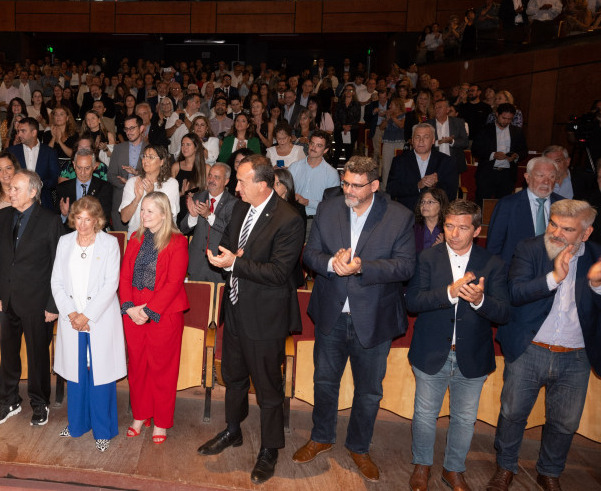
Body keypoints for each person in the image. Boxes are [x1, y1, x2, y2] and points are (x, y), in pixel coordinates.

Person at [297, 156, 416, 482]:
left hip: (373, 318)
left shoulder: (399, 217)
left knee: (369, 392)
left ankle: (359, 447)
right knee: (324, 382)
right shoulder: (329, 207)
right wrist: (332, 265)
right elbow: (310, 254)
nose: (347, 189)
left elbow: (406, 267)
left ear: (374, 186)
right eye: (345, 182)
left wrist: (362, 266)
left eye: (356, 185)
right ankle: (320, 437)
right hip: (331, 314)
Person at [199, 155, 305, 484]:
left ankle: (270, 448)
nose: (236, 186)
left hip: (266, 317)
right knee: (233, 377)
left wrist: (235, 264)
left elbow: (278, 273)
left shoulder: (289, 218)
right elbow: (232, 246)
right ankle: (233, 430)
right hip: (235, 309)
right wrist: (224, 257)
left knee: (268, 387)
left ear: (263, 184)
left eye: (242, 181)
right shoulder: (242, 208)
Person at [487, 200, 601, 491]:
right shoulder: (530, 248)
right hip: (530, 348)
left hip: (575, 356)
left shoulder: (598, 257)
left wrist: (598, 286)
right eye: (553, 224)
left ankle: (549, 472)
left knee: (564, 423)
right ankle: (505, 467)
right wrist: (554, 278)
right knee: (512, 414)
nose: (556, 233)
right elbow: (514, 292)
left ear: (586, 234)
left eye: (567, 229)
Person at [405, 199, 509, 491]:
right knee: (425, 414)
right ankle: (422, 465)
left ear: (476, 230)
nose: (454, 233)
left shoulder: (493, 263)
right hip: (431, 351)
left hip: (472, 354)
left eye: (463, 228)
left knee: (464, 418)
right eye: (449, 226)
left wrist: (480, 301)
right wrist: (449, 292)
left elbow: (504, 312)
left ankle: (453, 469)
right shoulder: (427, 258)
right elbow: (412, 302)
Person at [0, 170, 64, 427]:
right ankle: (8, 401)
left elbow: (59, 265)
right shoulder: (3, 216)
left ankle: (39, 403)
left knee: (38, 356)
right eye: (10, 188)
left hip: (38, 302)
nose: (10, 192)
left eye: (16, 188)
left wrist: (54, 305)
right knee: (8, 354)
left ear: (33, 192)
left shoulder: (51, 220)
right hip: (7, 300)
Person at [51, 196, 124, 452]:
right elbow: (57, 282)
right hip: (72, 321)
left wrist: (86, 316)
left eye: (88, 219)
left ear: (97, 220)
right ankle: (77, 425)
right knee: (76, 374)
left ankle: (103, 430)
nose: (82, 224)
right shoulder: (64, 242)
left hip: (99, 320)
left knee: (100, 376)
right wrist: (72, 314)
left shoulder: (109, 243)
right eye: (78, 218)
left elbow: (110, 285)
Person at [120, 191, 189, 444]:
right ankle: (140, 416)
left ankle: (161, 422)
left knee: (162, 370)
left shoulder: (178, 242)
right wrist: (128, 307)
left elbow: (173, 283)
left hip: (164, 315)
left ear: (164, 214)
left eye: (150, 211)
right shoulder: (135, 238)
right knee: (138, 368)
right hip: (133, 313)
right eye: (142, 210)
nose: (144, 215)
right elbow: (125, 276)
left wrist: (148, 312)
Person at [485, 156, 562, 266]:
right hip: (514, 273)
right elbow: (493, 247)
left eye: (552, 177)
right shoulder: (507, 205)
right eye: (540, 175)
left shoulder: (563, 205)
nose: (546, 181)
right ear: (527, 177)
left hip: (553, 272)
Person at [178, 163, 235, 284]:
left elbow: (230, 231)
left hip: (218, 265)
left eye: (217, 177)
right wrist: (193, 217)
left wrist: (208, 215)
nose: (211, 180)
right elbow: (183, 229)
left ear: (226, 181)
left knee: (215, 302)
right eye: (210, 176)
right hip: (196, 263)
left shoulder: (233, 203)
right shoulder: (198, 197)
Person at [387, 123, 458, 210]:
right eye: (417, 137)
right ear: (412, 140)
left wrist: (435, 185)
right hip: (408, 212)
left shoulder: (447, 161)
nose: (421, 140)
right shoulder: (399, 161)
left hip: (436, 214)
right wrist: (417, 186)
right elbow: (391, 189)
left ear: (433, 140)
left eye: (426, 137)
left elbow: (452, 193)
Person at [288, 131, 341, 238]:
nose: (313, 147)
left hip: (316, 222)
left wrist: (307, 202)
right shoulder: (294, 167)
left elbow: (331, 206)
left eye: (319, 145)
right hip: (293, 219)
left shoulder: (331, 173)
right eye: (312, 143)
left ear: (325, 150)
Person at [473, 103, 527, 205]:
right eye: (504, 118)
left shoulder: (517, 131)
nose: (506, 121)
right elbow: (475, 149)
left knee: (504, 205)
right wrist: (493, 155)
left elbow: (524, 150)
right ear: (497, 114)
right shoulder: (485, 129)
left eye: (509, 119)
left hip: (507, 175)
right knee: (482, 204)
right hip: (487, 173)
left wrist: (516, 156)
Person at [120, 144, 180, 234]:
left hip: (162, 237)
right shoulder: (133, 182)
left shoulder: (171, 184)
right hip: (137, 237)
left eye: (151, 157)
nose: (145, 160)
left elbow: (168, 217)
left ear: (161, 162)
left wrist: (151, 194)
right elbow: (124, 218)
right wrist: (137, 199)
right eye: (144, 156)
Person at [7, 117, 60, 210]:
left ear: (34, 133)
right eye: (18, 131)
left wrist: (40, 184)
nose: (19, 134)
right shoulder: (12, 151)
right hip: (18, 201)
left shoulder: (49, 152)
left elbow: (54, 178)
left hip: (43, 201)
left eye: (23, 131)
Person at [107, 115, 146, 231]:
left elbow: (154, 176)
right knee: (121, 242)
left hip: (144, 202)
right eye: (126, 129)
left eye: (132, 128)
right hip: (120, 201)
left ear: (141, 128)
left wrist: (135, 176)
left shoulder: (150, 149)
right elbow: (111, 175)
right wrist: (127, 185)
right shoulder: (118, 149)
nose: (128, 132)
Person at [56, 148, 112, 228]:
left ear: (94, 167)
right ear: (74, 165)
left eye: (87, 168)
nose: (83, 172)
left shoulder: (104, 187)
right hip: (69, 235)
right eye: (79, 168)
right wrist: (64, 215)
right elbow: (55, 220)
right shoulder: (63, 188)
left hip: (95, 234)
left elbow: (104, 218)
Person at [427, 99, 469, 182]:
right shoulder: (428, 124)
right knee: (434, 192)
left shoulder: (458, 122)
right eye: (435, 107)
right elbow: (424, 144)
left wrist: (452, 141)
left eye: (440, 107)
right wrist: (437, 142)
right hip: (434, 165)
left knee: (451, 192)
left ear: (447, 109)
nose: (437, 109)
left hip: (453, 164)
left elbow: (465, 142)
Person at [413, 187, 449, 253]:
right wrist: (432, 250)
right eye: (422, 202)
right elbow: (409, 255)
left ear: (441, 205)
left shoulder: (448, 229)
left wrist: (446, 247)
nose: (424, 205)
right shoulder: (413, 228)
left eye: (430, 202)